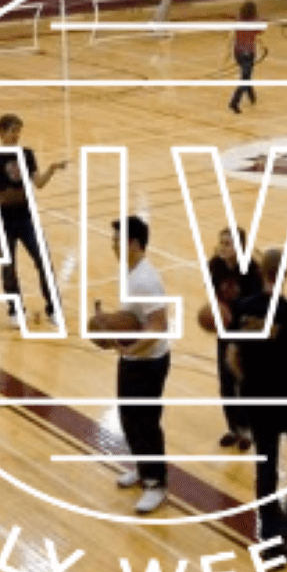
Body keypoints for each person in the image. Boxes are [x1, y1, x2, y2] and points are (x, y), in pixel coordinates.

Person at [227, 247, 287, 555]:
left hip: (255, 396)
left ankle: (270, 535)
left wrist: (247, 381)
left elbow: (231, 358)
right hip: (286, 398)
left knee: (265, 465)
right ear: (285, 276)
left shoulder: (242, 307)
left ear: (260, 273)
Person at [105, 216, 173, 514]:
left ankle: (157, 484)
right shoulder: (130, 272)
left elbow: (159, 326)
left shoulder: (145, 280)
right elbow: (134, 320)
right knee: (128, 419)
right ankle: (142, 468)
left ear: (132, 243)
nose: (112, 244)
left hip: (150, 362)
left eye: (116, 239)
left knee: (146, 423)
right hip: (133, 358)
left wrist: (128, 345)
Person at [0, 114, 66, 326]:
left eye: (18, 131)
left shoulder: (26, 155)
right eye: (12, 131)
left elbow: (39, 183)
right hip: (4, 220)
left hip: (27, 218)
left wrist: (51, 170)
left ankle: (53, 308)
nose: (16, 136)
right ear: (1, 133)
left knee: (43, 261)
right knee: (8, 267)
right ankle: (15, 310)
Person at [209, 227, 264, 449]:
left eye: (228, 243)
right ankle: (234, 428)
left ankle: (249, 430)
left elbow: (256, 309)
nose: (223, 247)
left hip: (246, 333)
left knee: (244, 382)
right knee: (225, 383)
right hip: (225, 331)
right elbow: (214, 295)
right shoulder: (215, 266)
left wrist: (241, 340)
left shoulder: (251, 272)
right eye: (221, 242)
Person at [228, 0, 262, 114]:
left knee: (246, 75)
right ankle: (234, 102)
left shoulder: (238, 18)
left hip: (237, 52)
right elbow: (260, 30)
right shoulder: (255, 21)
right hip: (248, 52)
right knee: (245, 78)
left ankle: (251, 95)